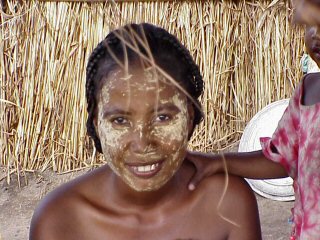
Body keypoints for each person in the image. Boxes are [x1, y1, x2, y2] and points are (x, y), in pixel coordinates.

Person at [29, 23, 261, 240]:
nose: (142, 143)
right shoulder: (61, 220)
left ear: (189, 117)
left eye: (162, 117)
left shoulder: (226, 203)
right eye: (120, 120)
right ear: (96, 124)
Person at [187, 1, 320, 239]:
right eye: (309, 26)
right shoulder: (309, 91)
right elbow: (281, 159)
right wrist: (218, 162)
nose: (316, 35)